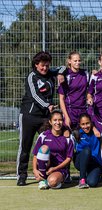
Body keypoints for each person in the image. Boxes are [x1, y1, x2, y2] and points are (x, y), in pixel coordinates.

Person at [16, 51, 63, 186]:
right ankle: (22, 175)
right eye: (42, 65)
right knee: (25, 146)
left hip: (44, 118)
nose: (45, 68)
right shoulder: (32, 77)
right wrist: (48, 105)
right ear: (36, 65)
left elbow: (64, 68)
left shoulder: (50, 74)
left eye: (47, 66)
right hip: (28, 116)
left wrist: (59, 73)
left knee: (48, 146)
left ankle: (49, 175)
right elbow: (35, 96)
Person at [32, 110, 74, 189]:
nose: (57, 123)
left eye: (60, 120)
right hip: (46, 167)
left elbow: (69, 159)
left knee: (53, 182)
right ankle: (43, 180)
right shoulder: (43, 136)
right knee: (44, 148)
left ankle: (60, 178)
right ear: (50, 122)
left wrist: (54, 169)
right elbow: (35, 155)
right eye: (55, 120)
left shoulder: (68, 138)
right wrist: (34, 170)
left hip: (60, 168)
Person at [58, 51, 90, 130]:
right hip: (70, 110)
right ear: (69, 61)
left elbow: (90, 90)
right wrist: (66, 116)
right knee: (68, 136)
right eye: (75, 61)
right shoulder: (65, 75)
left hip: (83, 109)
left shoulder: (85, 73)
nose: (77, 62)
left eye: (79, 60)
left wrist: (89, 97)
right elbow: (61, 99)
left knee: (82, 137)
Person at [72, 113, 102, 188]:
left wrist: (94, 128)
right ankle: (82, 179)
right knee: (87, 150)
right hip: (81, 161)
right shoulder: (77, 133)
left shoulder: (98, 132)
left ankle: (91, 175)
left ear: (91, 122)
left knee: (92, 183)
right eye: (83, 124)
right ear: (80, 124)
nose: (85, 126)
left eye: (87, 123)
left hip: (94, 162)